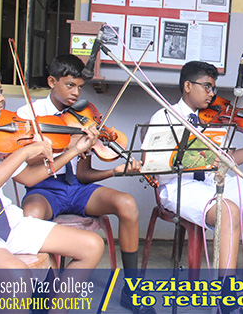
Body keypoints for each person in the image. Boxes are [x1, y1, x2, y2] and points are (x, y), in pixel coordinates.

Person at [0, 61, 103, 285]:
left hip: (8, 223)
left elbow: (29, 177)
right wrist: (23, 153)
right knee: (17, 275)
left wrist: (74, 150)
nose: (2, 98)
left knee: (92, 245)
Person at [146, 61, 243, 314]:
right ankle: (227, 296)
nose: (212, 94)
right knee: (228, 210)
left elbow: (229, 159)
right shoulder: (164, 116)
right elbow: (152, 166)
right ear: (188, 86)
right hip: (180, 186)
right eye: (207, 87)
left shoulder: (213, 119)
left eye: (214, 88)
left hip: (213, 181)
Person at [16, 54, 146, 314]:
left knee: (127, 203)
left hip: (76, 188)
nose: (76, 93)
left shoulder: (82, 118)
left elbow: (83, 175)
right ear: (52, 81)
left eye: (79, 87)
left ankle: (132, 290)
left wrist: (114, 171)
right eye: (69, 85)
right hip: (44, 189)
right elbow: (26, 170)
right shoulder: (29, 115)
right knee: (31, 214)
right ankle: (45, 293)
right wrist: (66, 148)